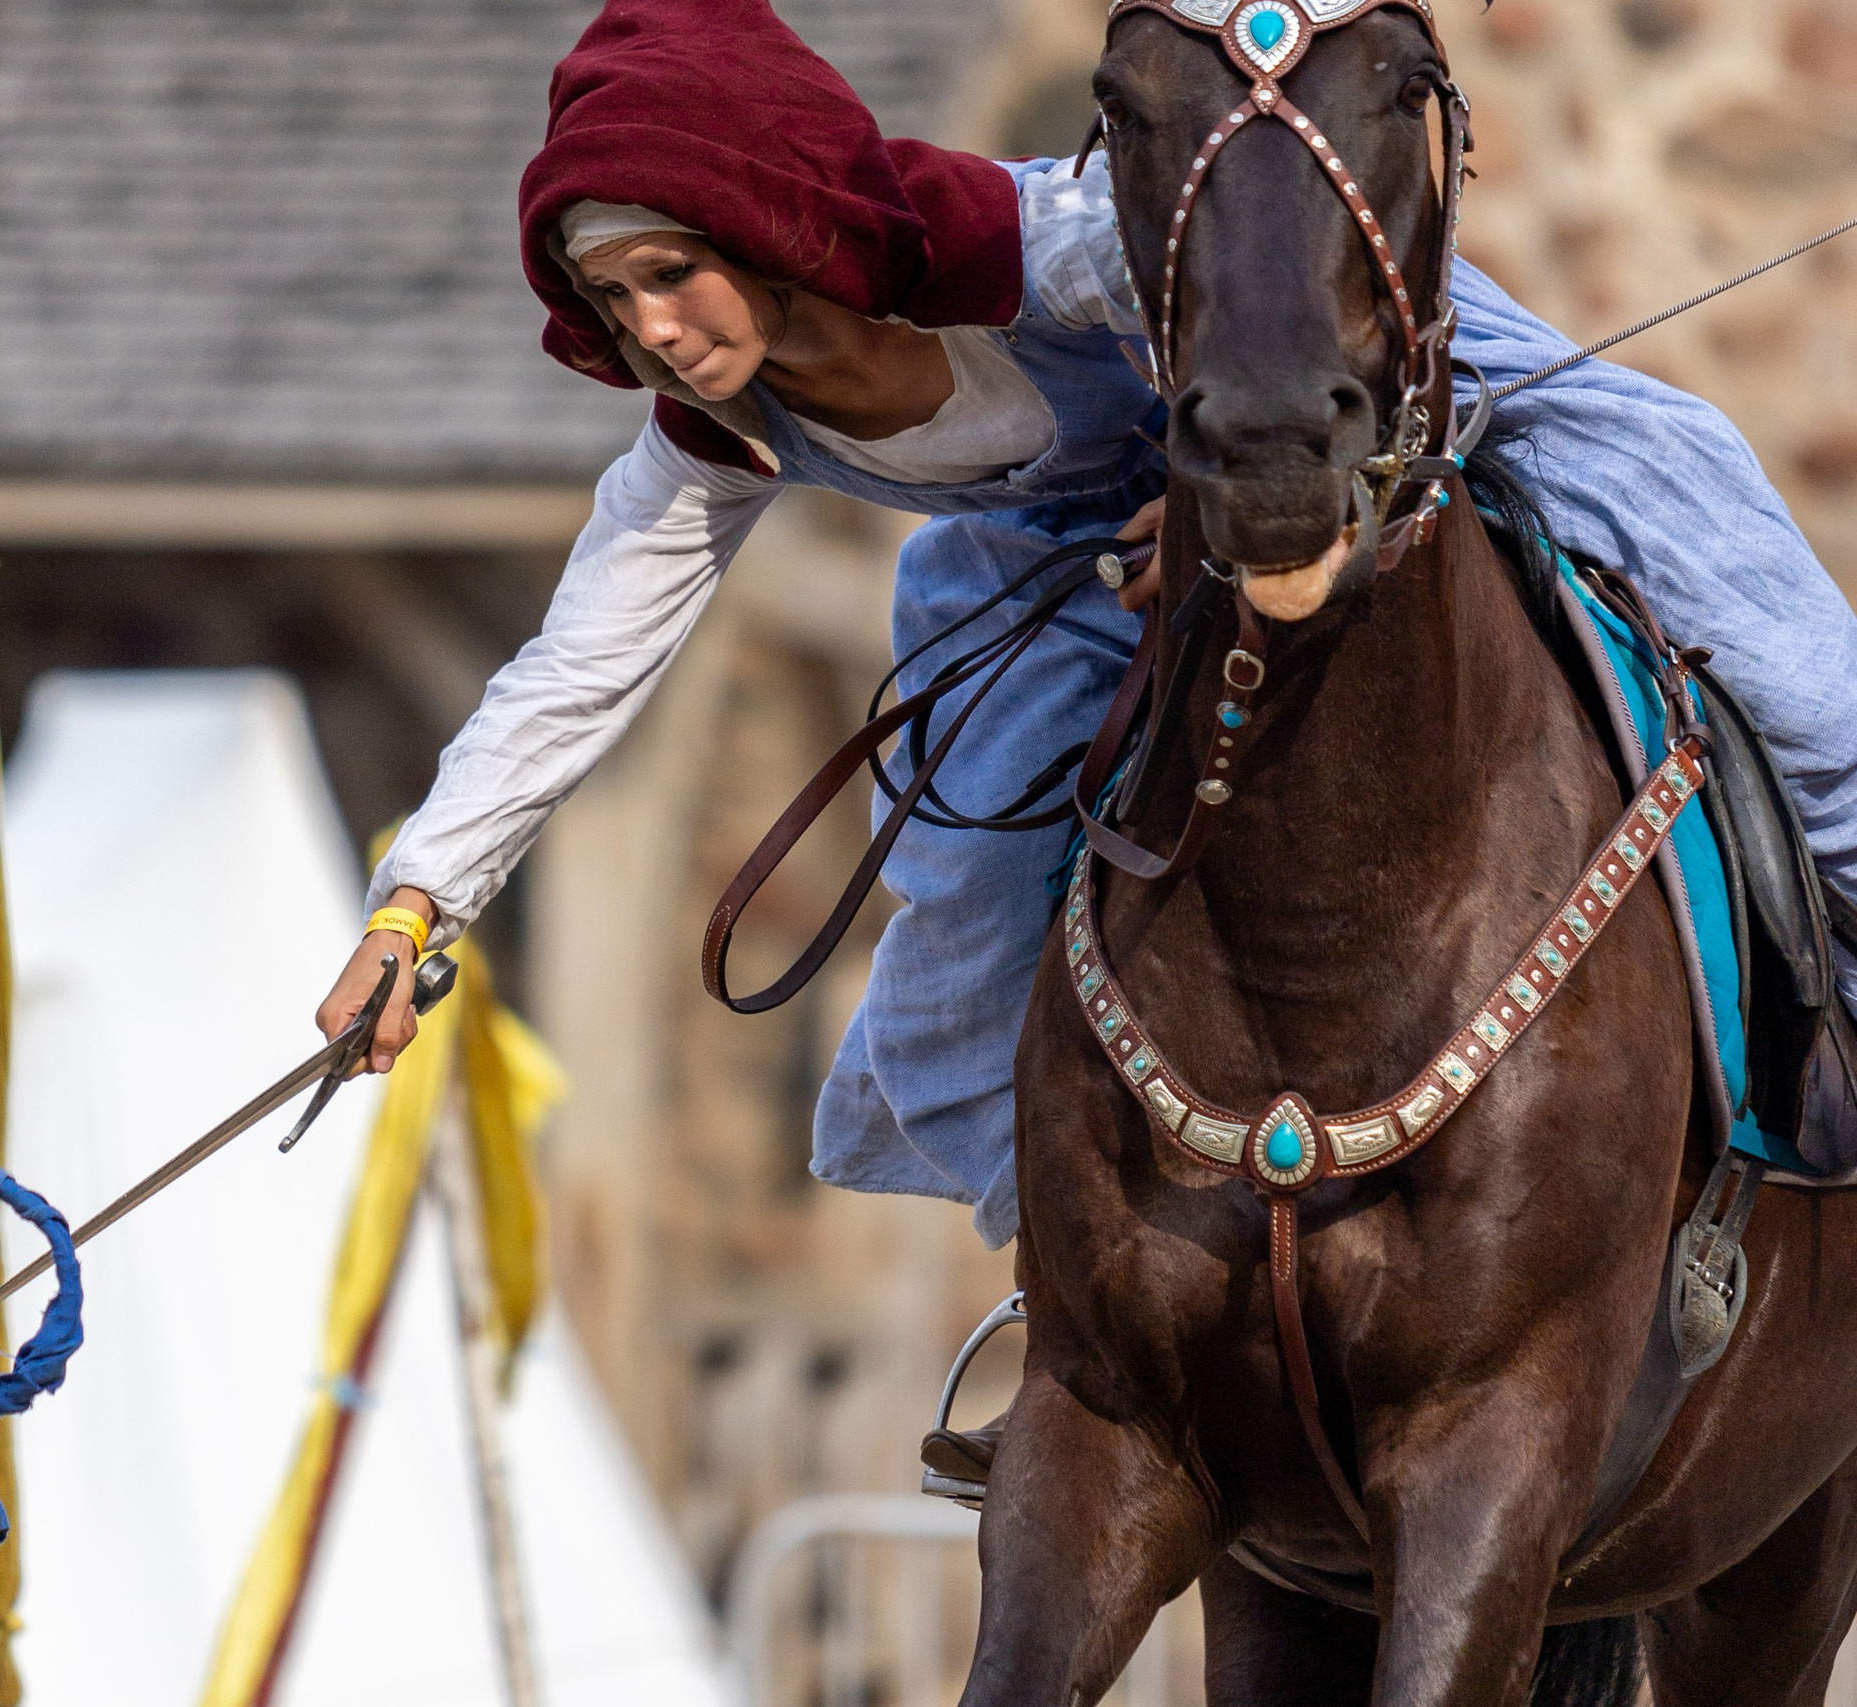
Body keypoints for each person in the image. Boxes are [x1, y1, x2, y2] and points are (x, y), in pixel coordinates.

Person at [316, 0, 1857, 1248]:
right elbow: (576, 668)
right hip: (1048, 581)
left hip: (1334, 387)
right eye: (611, 301)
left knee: (1687, 509)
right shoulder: (710, 440)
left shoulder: (1054, 241)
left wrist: (1220, 502)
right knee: (956, 952)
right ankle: (1072, 1286)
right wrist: (415, 908)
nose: (651, 329)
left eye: (672, 274)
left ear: (767, 221)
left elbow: (1304, 339)